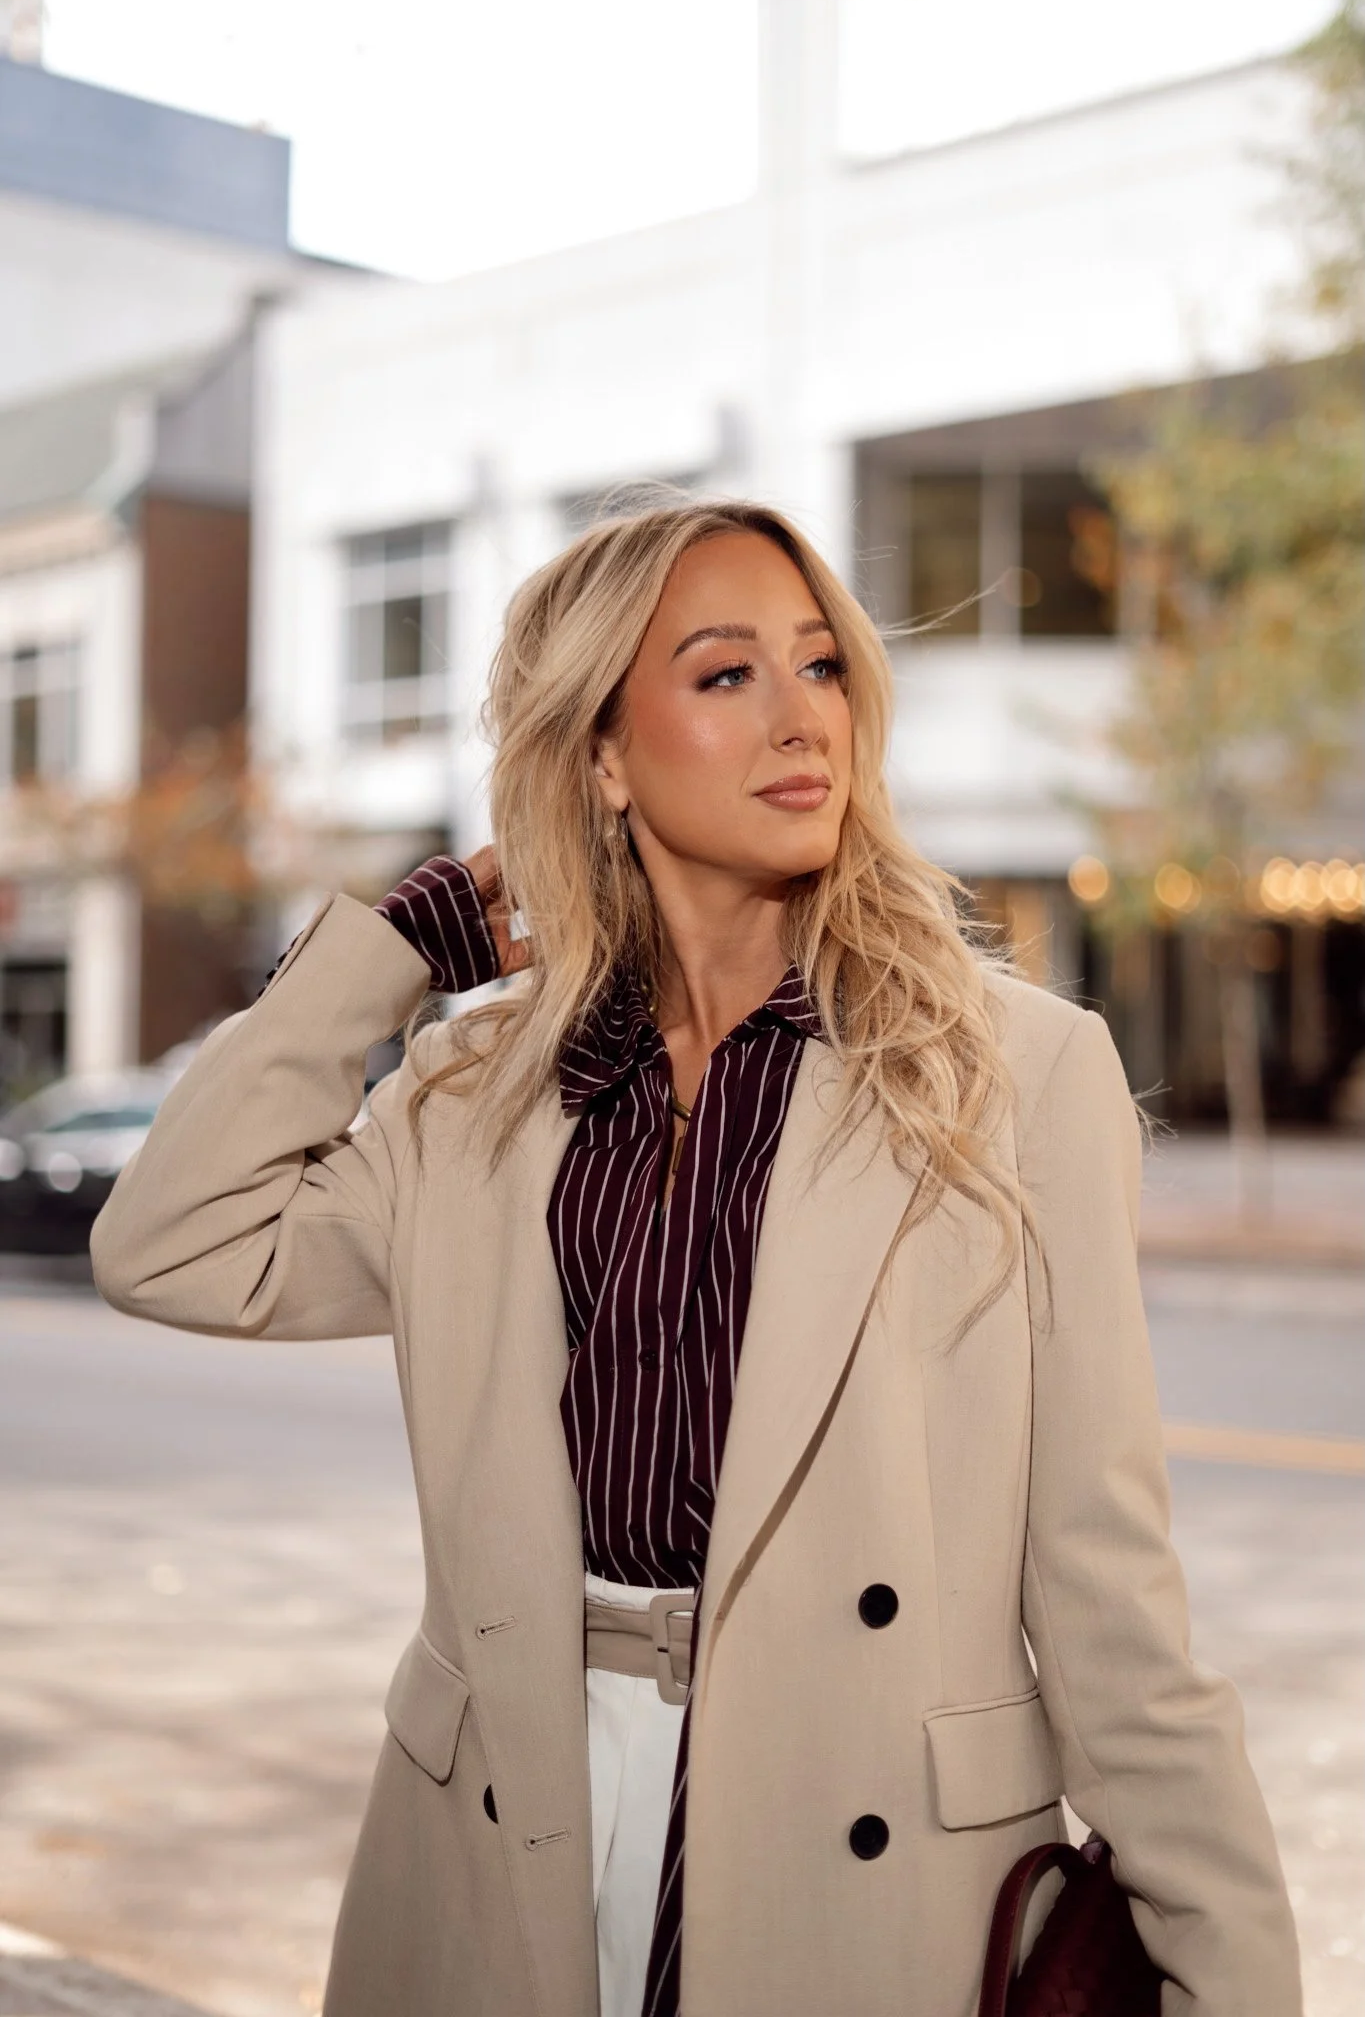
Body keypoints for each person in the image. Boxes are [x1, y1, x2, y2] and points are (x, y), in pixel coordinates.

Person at [91, 500, 1300, 2017]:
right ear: (600, 755)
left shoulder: (1012, 1077)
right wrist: (392, 952)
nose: (802, 720)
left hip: (861, 1836)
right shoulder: (481, 1097)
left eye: (823, 668)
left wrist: (1230, 1979)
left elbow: (1108, 1585)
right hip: (514, 1810)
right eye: (725, 676)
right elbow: (172, 1243)